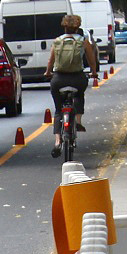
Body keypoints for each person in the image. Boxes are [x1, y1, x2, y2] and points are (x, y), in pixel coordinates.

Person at [43, 14, 99, 158]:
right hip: (77, 78)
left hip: (59, 79)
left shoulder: (57, 41)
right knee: (79, 94)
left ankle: (57, 142)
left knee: (57, 110)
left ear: (64, 26)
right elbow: (91, 60)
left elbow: (50, 61)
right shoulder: (83, 41)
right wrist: (93, 72)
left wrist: (48, 72)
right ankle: (78, 121)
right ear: (77, 27)